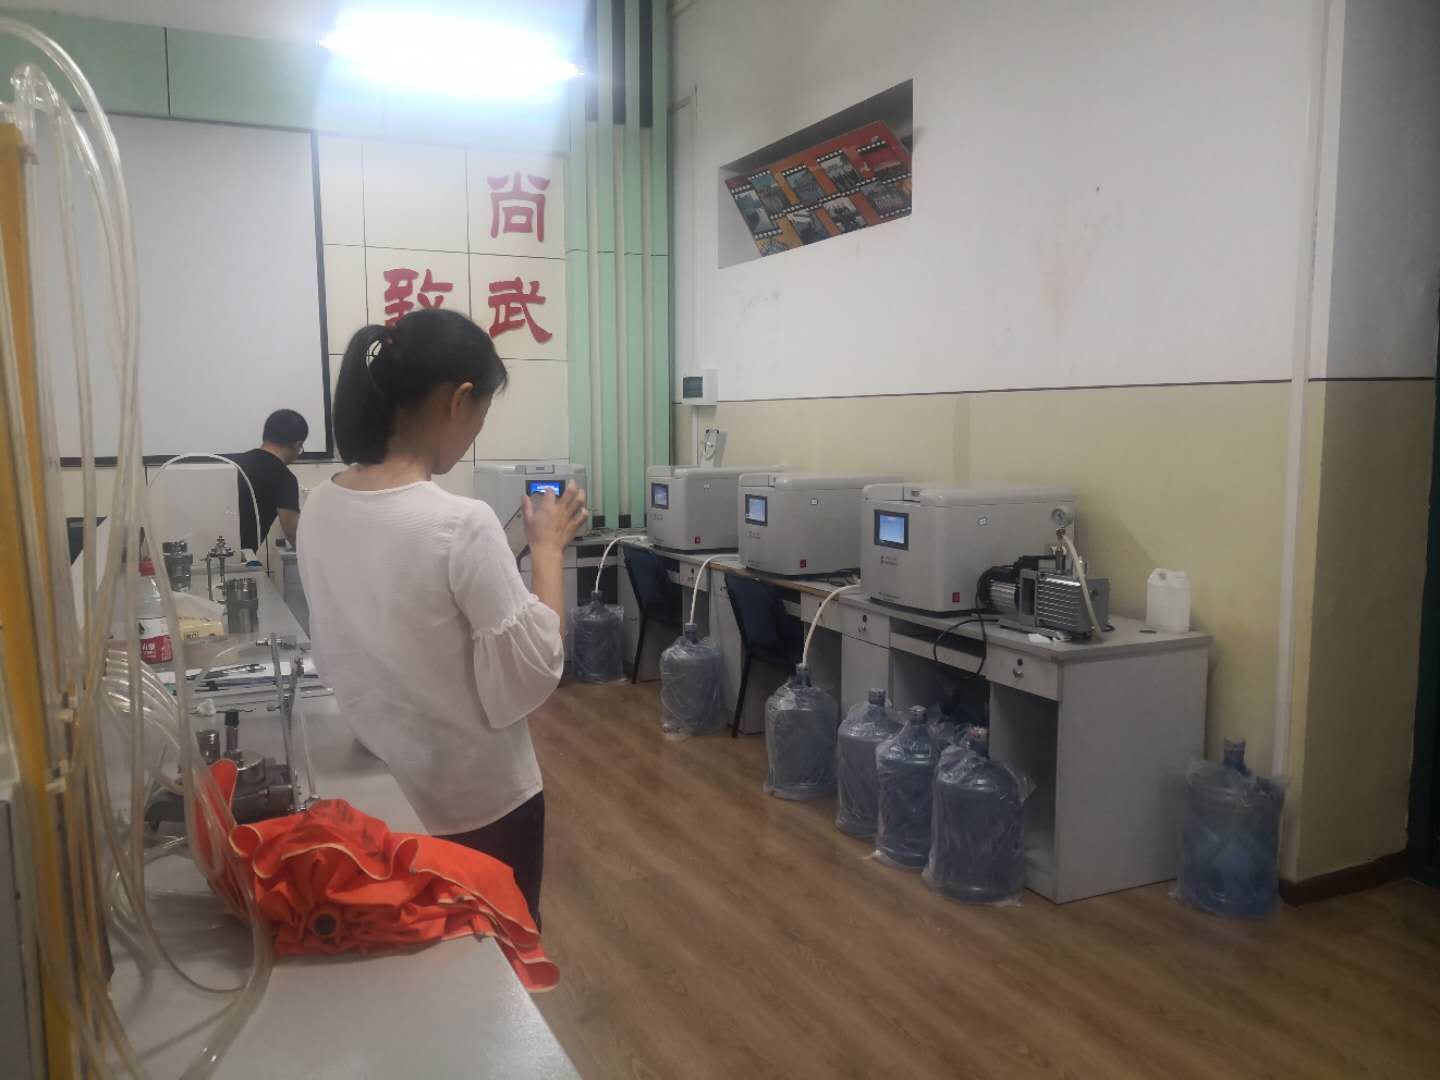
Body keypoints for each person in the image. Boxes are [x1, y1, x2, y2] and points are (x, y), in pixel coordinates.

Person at [297, 309, 587, 922]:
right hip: (478, 804)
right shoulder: (459, 523)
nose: (476, 430)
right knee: (499, 954)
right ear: (458, 400)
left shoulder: (320, 506)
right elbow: (533, 669)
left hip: (380, 792)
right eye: (481, 413)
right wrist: (547, 550)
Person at [228, 409, 308, 551]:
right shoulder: (284, 477)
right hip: (241, 558)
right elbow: (293, 532)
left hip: (209, 551)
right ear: (297, 445)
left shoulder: (232, 463)